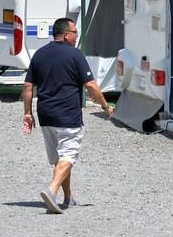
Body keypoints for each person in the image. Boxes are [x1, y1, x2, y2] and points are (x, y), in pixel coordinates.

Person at [22, 17, 114, 214]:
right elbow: (90, 86)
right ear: (65, 35)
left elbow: (28, 86)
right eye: (75, 33)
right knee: (69, 155)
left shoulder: (39, 54)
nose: (76, 37)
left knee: (60, 158)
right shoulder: (75, 55)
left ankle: (68, 197)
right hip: (67, 115)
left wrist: (27, 113)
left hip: (45, 115)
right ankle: (51, 190)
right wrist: (106, 106)